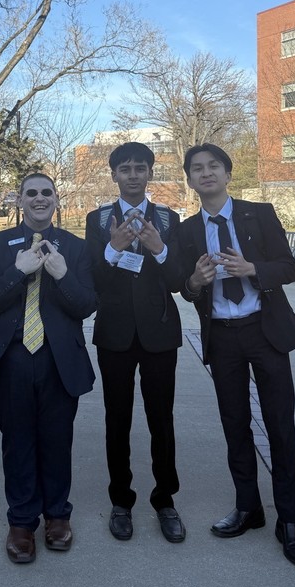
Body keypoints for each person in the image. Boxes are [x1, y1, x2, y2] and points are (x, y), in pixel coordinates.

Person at [178, 143, 295, 566]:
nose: (206, 173)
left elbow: (289, 266)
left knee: (280, 427)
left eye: (213, 166)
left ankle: (290, 521)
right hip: (222, 338)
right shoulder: (185, 230)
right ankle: (248, 508)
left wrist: (253, 269)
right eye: (196, 169)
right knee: (235, 426)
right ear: (190, 179)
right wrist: (195, 282)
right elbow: (185, 288)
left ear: (227, 173)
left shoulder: (260, 213)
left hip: (264, 331)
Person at [0, 173, 96, 563]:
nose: (39, 199)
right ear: (20, 201)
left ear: (57, 200)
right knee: (18, 439)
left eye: (47, 192)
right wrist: (18, 271)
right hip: (11, 357)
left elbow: (85, 306)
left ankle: (57, 516)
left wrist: (61, 275)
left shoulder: (75, 248)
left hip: (57, 357)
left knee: (57, 439)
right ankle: (22, 521)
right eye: (32, 193)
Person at [85, 142, 186, 544]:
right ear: (113, 175)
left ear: (150, 174)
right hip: (115, 334)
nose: (132, 175)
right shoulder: (97, 220)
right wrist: (114, 247)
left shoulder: (168, 218)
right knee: (118, 419)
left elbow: (178, 281)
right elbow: (92, 278)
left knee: (162, 420)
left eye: (140, 168)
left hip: (159, 331)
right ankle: (121, 501)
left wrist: (159, 248)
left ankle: (165, 501)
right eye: (124, 168)